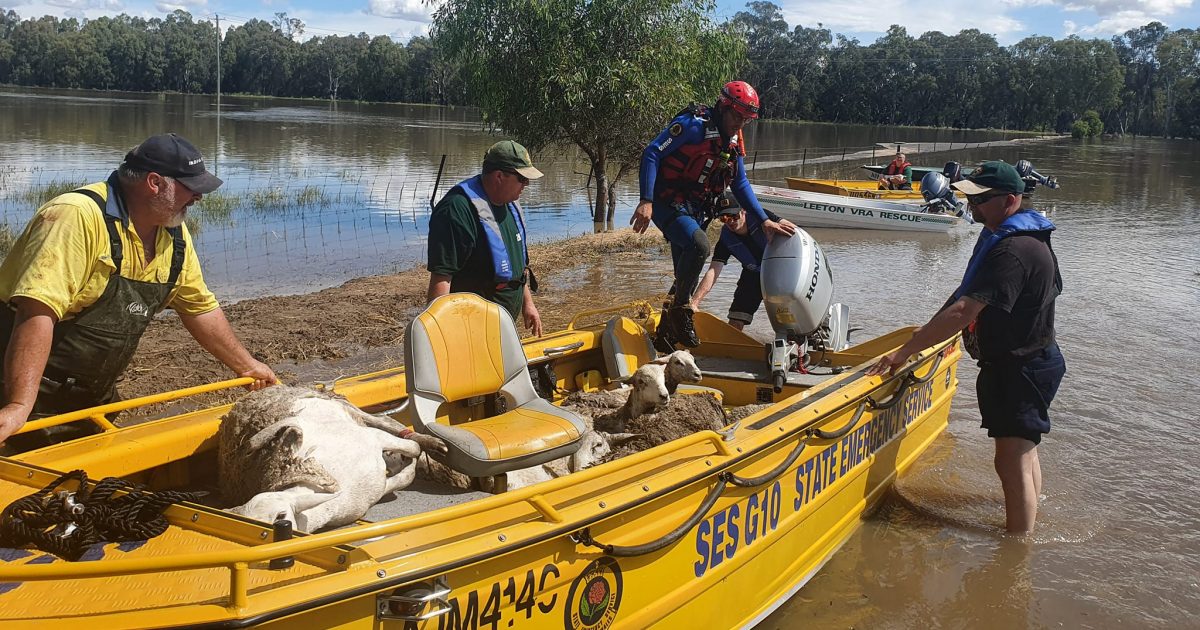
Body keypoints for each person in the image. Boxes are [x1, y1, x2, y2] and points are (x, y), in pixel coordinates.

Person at [0, 133, 277, 448]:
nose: (199, 198)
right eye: (192, 188)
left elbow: (199, 308)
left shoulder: (173, 235)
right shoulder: (76, 216)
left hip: (91, 401)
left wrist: (247, 365)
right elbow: (37, 310)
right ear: (155, 183)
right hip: (17, 391)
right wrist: (18, 405)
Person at [867, 161, 1065, 533]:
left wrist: (905, 351)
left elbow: (964, 310)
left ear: (1009, 200)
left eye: (980, 199)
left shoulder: (1014, 250)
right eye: (970, 198)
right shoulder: (1010, 236)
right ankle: (1027, 525)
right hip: (1030, 361)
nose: (971, 207)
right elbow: (964, 295)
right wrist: (932, 333)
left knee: (1011, 461)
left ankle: (1015, 553)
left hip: (1021, 368)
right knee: (1023, 452)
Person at [630, 80, 795, 349]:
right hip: (665, 201)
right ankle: (683, 313)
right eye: (737, 116)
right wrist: (645, 200)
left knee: (685, 275)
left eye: (747, 119)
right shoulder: (693, 126)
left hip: (694, 208)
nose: (741, 123)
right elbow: (651, 153)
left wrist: (765, 220)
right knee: (699, 246)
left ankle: (663, 338)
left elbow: (740, 183)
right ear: (723, 106)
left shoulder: (733, 140)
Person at [427, 140, 543, 336]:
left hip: (501, 325)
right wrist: (438, 336)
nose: (527, 184)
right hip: (471, 327)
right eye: (522, 179)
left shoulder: (509, 205)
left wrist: (528, 304)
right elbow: (441, 279)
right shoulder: (457, 210)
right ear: (499, 176)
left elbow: (517, 269)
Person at [690, 205, 795, 330]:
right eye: (724, 218)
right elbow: (713, 271)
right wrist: (695, 302)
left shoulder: (761, 217)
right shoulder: (725, 240)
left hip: (782, 272)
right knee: (735, 321)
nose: (731, 221)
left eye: (734, 216)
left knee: (788, 321)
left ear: (743, 212)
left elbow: (794, 231)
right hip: (753, 275)